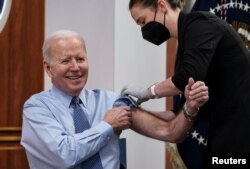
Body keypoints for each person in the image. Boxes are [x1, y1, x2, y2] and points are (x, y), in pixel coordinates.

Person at [20, 30, 208, 169]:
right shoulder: (36, 108)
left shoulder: (109, 101)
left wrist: (190, 107)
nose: (75, 67)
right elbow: (64, 155)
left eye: (80, 58)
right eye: (65, 61)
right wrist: (106, 126)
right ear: (48, 68)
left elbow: (168, 131)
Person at [122, 0, 250, 168]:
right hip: (224, 131)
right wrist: (135, 112)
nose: (143, 29)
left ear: (161, 5)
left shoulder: (200, 24)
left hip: (241, 133)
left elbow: (186, 77)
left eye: (143, 21)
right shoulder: (186, 42)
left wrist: (147, 92)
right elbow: (179, 114)